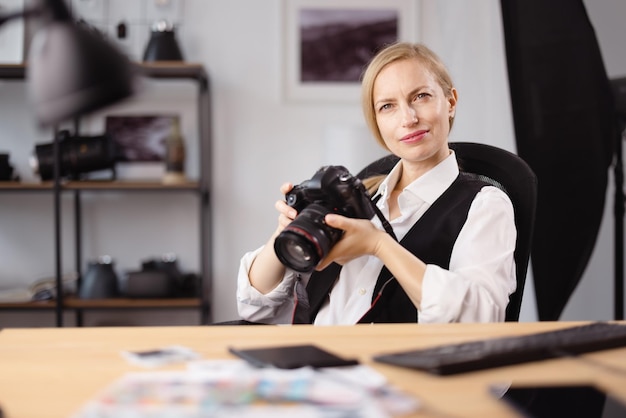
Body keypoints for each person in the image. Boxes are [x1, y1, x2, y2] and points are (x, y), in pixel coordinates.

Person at [236, 42, 517, 324]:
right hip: (312, 359)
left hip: (396, 364)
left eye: (420, 96)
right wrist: (286, 232)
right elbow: (254, 307)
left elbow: (480, 318)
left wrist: (379, 245)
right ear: (377, 121)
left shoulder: (485, 205)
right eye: (387, 106)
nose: (408, 118)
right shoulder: (356, 197)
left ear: (451, 102)